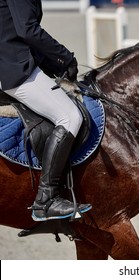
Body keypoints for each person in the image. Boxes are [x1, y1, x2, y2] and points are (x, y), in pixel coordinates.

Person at [0, 0, 92, 221]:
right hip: (12, 69)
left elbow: (13, 30)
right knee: (70, 117)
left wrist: (54, 64)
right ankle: (46, 199)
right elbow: (27, 29)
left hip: (9, 61)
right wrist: (65, 56)